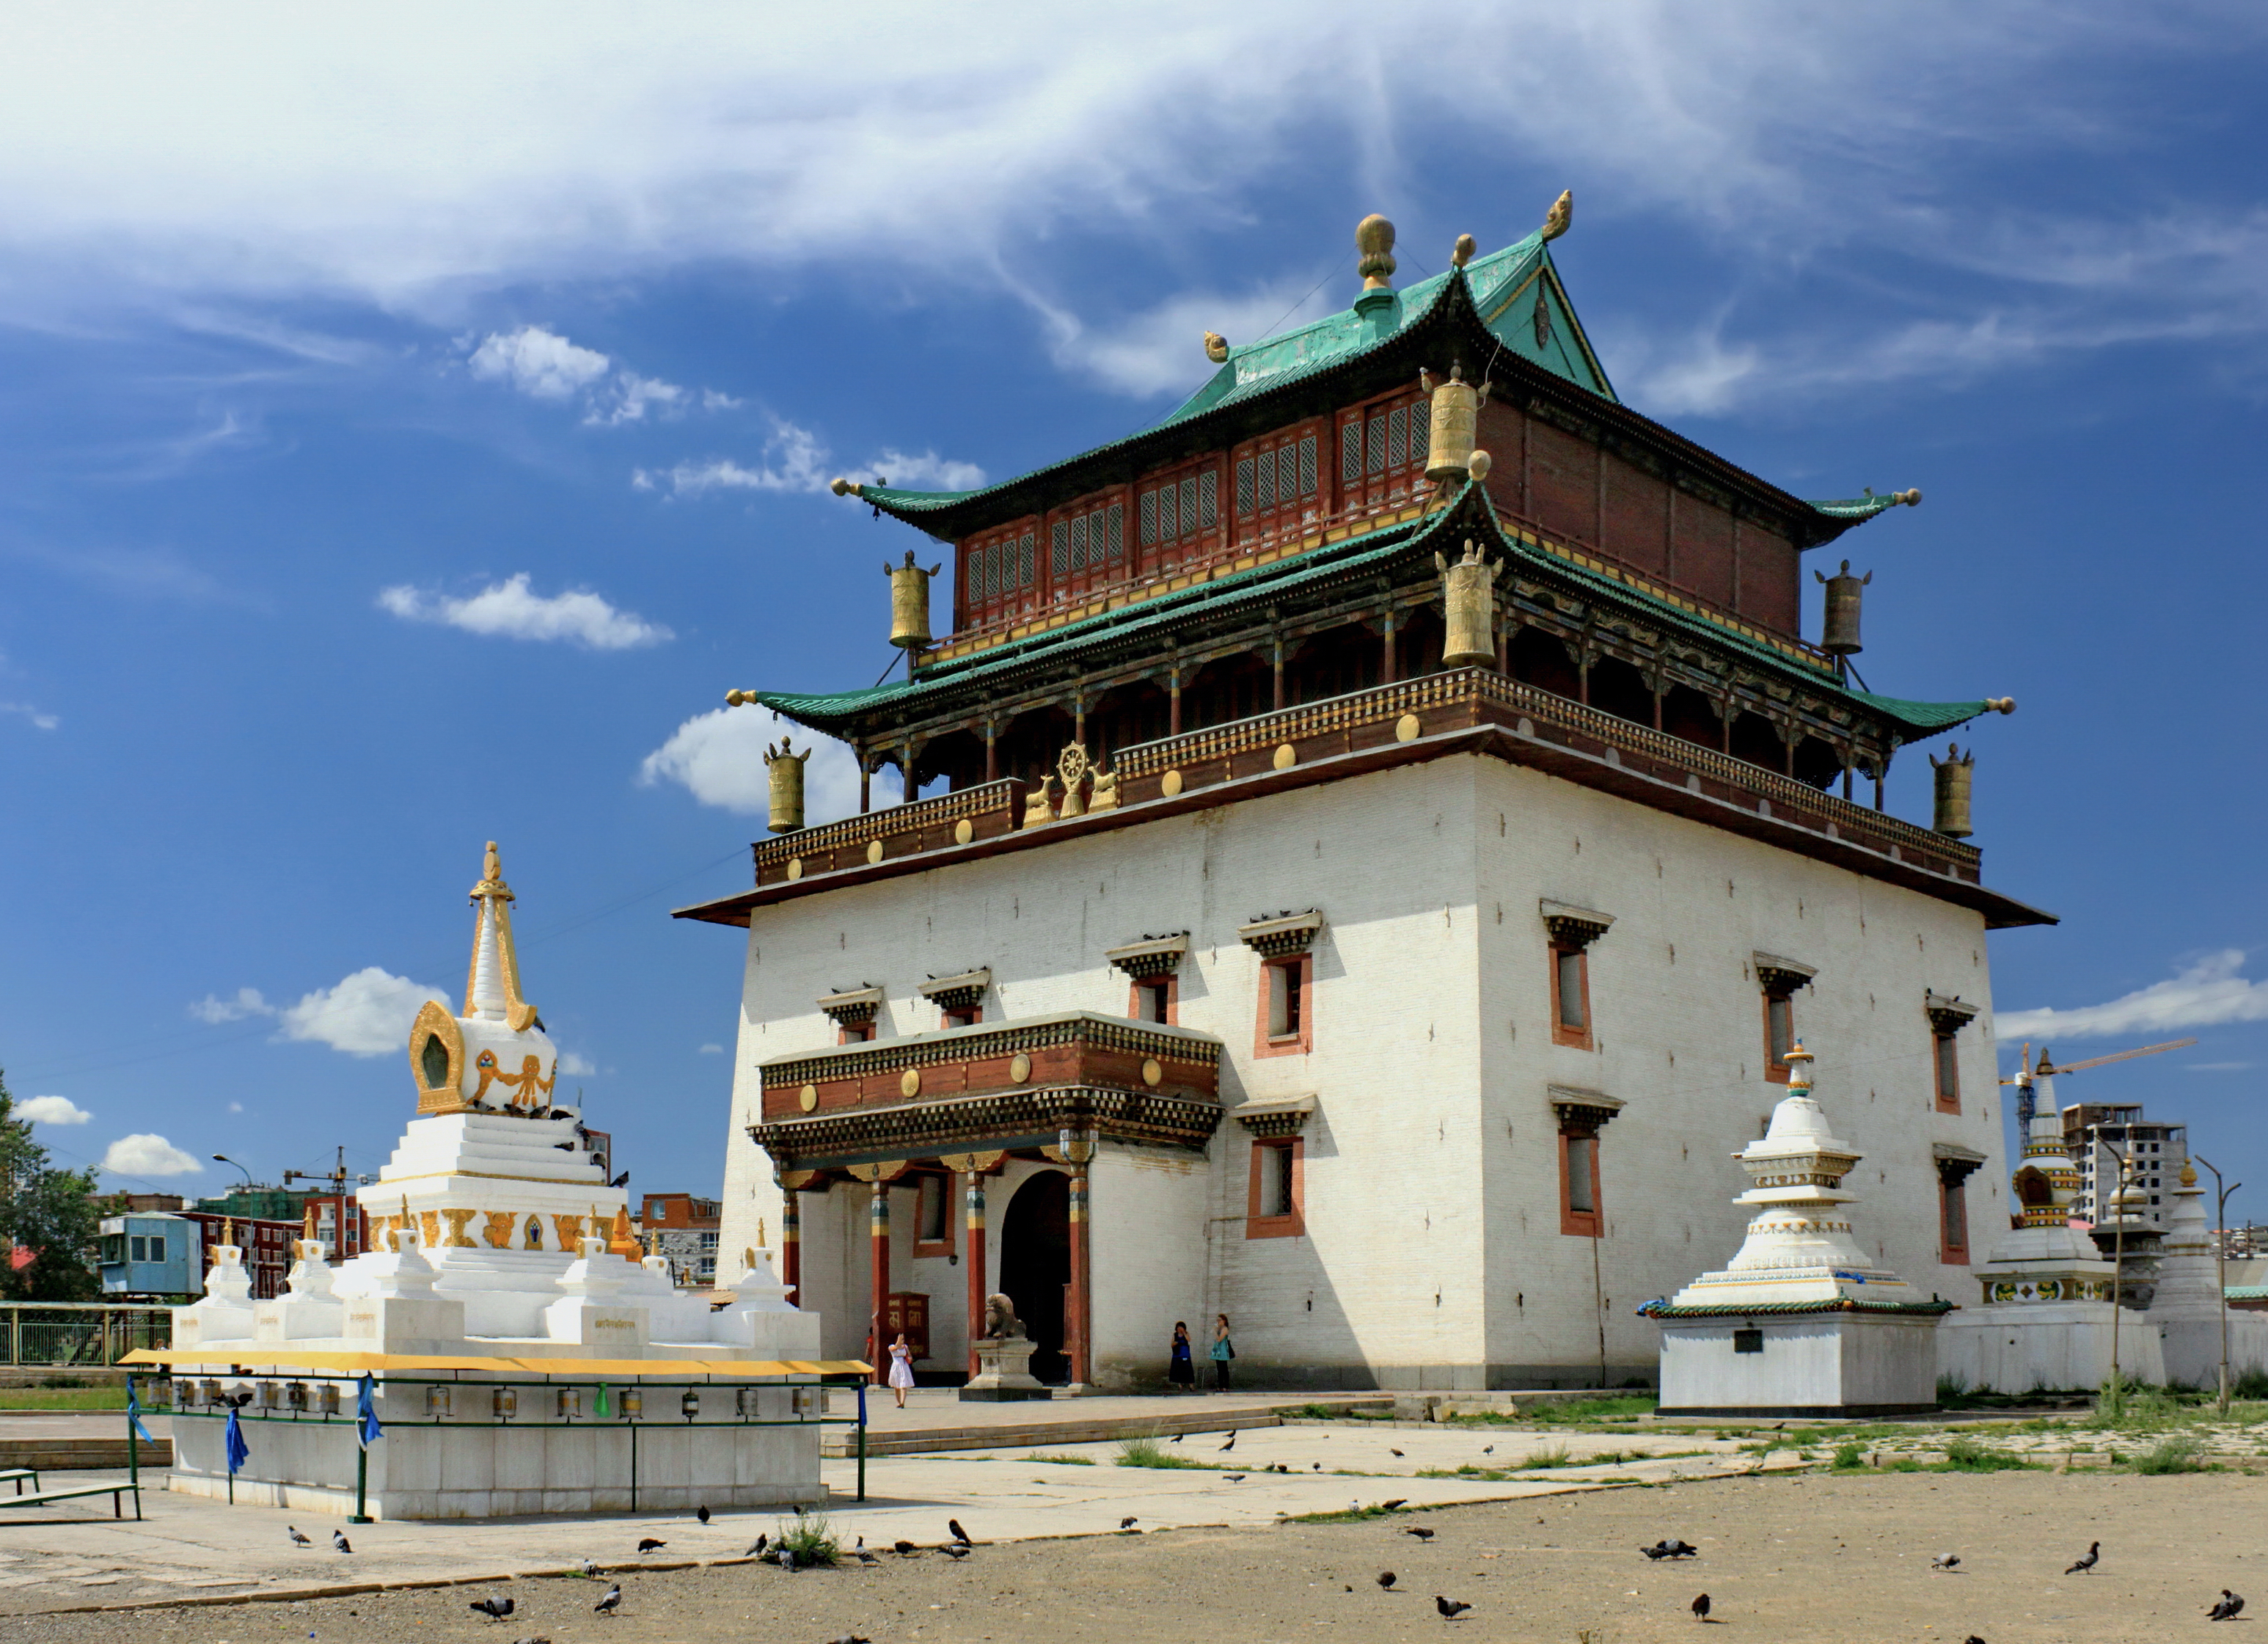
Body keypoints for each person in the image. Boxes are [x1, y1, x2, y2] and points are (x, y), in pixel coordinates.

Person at [886, 1332, 915, 1409]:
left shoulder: (905, 1347)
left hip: (904, 1366)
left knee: (904, 1385)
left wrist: (910, 1357)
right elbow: (896, 1348)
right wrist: (899, 1341)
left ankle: (902, 1403)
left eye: (903, 1339)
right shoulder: (891, 1347)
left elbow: (909, 1355)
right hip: (896, 1367)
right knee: (896, 1386)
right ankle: (899, 1402)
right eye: (901, 1339)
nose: (902, 1340)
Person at [1167, 1321, 1195, 1392]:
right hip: (1177, 1355)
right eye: (1178, 1327)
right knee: (1178, 1370)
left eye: (1181, 1327)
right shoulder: (1175, 1335)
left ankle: (1191, 1385)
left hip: (1185, 1354)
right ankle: (1180, 1386)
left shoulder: (1186, 1334)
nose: (1180, 1329)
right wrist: (1175, 1343)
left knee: (1188, 1370)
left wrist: (1184, 1333)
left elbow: (1189, 1339)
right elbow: (1172, 1344)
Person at [1210, 1314, 1234, 1392]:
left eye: (1219, 1320)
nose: (1218, 1322)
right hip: (1217, 1349)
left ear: (1224, 1321)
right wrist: (1215, 1329)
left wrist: (1214, 1332)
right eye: (1217, 1320)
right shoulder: (1219, 1329)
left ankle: (1226, 1386)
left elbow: (1220, 1339)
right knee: (1219, 1368)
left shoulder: (1225, 1329)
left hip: (1223, 1349)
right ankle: (1220, 1385)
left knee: (1224, 1368)